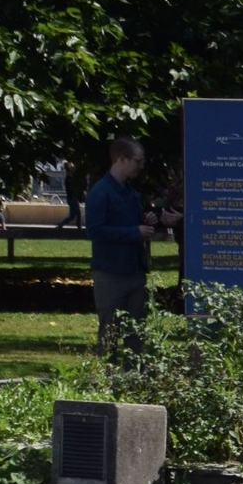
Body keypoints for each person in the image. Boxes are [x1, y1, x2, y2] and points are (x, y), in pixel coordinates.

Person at [86, 138, 154, 354]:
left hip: (134, 270)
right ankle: (105, 381)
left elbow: (132, 222)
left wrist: (147, 220)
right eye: (137, 161)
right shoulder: (101, 192)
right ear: (121, 159)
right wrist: (134, 232)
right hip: (110, 273)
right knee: (110, 331)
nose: (140, 167)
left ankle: (136, 379)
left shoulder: (131, 192)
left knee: (137, 333)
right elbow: (95, 230)